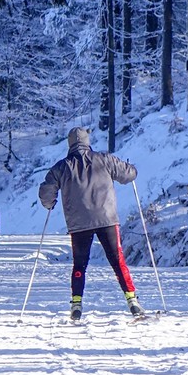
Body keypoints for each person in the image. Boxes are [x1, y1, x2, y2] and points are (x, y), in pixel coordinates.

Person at [39, 127, 145, 320]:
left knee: (80, 264)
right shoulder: (104, 159)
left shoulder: (61, 167)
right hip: (106, 219)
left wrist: (50, 203)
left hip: (79, 223)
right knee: (117, 260)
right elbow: (128, 175)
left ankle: (76, 303)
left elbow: (46, 191)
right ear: (87, 141)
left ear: (70, 144)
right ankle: (132, 300)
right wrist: (133, 170)